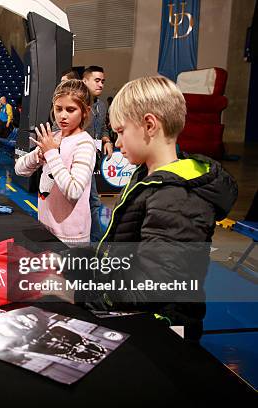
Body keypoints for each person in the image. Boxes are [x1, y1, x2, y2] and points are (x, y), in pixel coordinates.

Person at [65, 76, 237, 342]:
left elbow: (153, 291)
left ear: (149, 125)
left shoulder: (177, 198)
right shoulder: (146, 176)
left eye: (121, 132)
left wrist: (81, 294)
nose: (118, 143)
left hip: (161, 331)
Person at [15, 79, 95, 243]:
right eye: (59, 109)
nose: (63, 115)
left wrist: (51, 154)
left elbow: (74, 191)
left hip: (70, 237)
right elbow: (19, 169)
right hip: (45, 227)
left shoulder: (84, 143)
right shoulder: (54, 137)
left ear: (85, 111)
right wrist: (37, 156)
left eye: (70, 110)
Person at [82, 65, 111, 242]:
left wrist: (107, 139)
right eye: (97, 80)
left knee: (91, 199)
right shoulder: (75, 103)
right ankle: (96, 239)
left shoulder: (102, 105)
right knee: (94, 200)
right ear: (85, 81)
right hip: (79, 158)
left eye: (103, 81)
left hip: (94, 157)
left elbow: (103, 128)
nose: (101, 85)